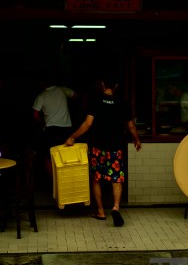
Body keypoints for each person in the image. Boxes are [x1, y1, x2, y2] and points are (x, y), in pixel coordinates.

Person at [64, 75, 142, 227]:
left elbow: (87, 124)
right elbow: (131, 126)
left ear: (101, 84)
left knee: (96, 179)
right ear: (117, 86)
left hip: (98, 148)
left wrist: (72, 137)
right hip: (116, 148)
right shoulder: (122, 102)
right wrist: (136, 140)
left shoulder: (95, 100)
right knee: (116, 178)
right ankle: (116, 207)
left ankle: (100, 211)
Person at [32, 78, 76, 181]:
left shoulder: (42, 96)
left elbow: (35, 115)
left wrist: (42, 122)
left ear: (42, 84)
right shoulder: (62, 90)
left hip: (51, 129)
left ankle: (54, 180)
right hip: (66, 127)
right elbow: (75, 96)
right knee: (66, 154)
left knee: (48, 155)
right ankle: (67, 179)